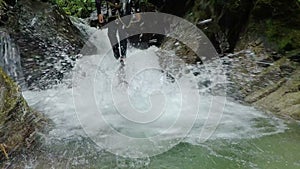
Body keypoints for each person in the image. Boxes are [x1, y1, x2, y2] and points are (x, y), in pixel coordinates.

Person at [96, 0, 141, 65]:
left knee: (122, 31)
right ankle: (117, 56)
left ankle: (123, 56)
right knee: (111, 33)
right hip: (112, 7)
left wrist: (137, 10)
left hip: (125, 6)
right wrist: (99, 13)